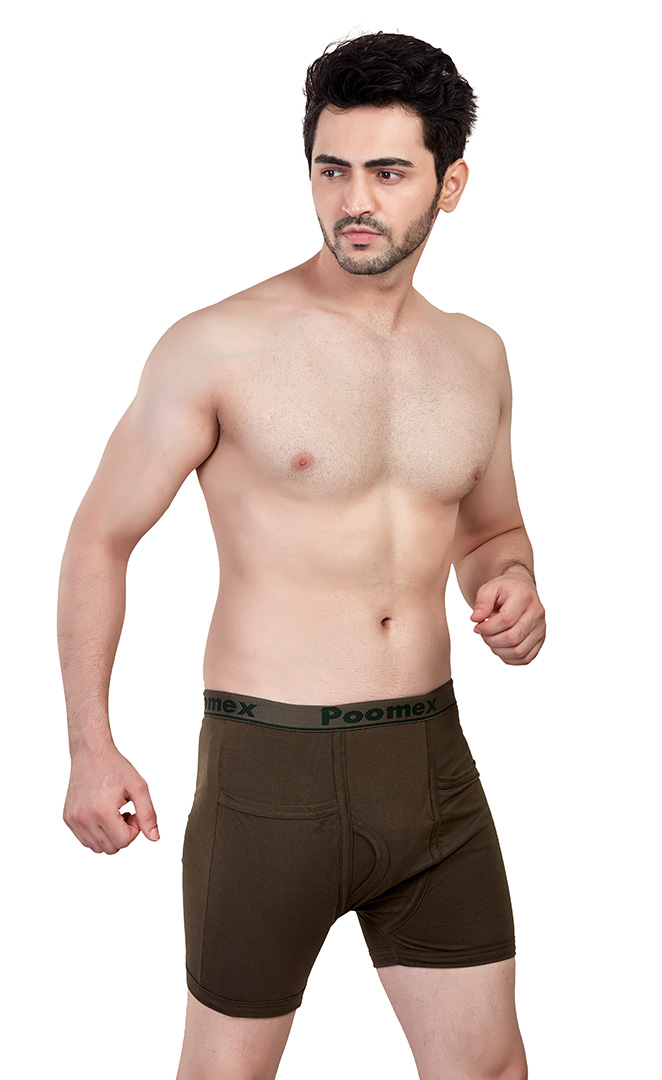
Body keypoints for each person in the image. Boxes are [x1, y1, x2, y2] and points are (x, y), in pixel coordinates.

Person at [59, 31, 545, 1080]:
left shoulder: (476, 356)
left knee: (490, 1069)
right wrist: (90, 746)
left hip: (432, 770)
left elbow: (491, 531)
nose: (353, 201)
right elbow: (101, 536)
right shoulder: (217, 345)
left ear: (451, 184)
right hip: (269, 773)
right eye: (332, 170)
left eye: (388, 173)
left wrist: (511, 584)